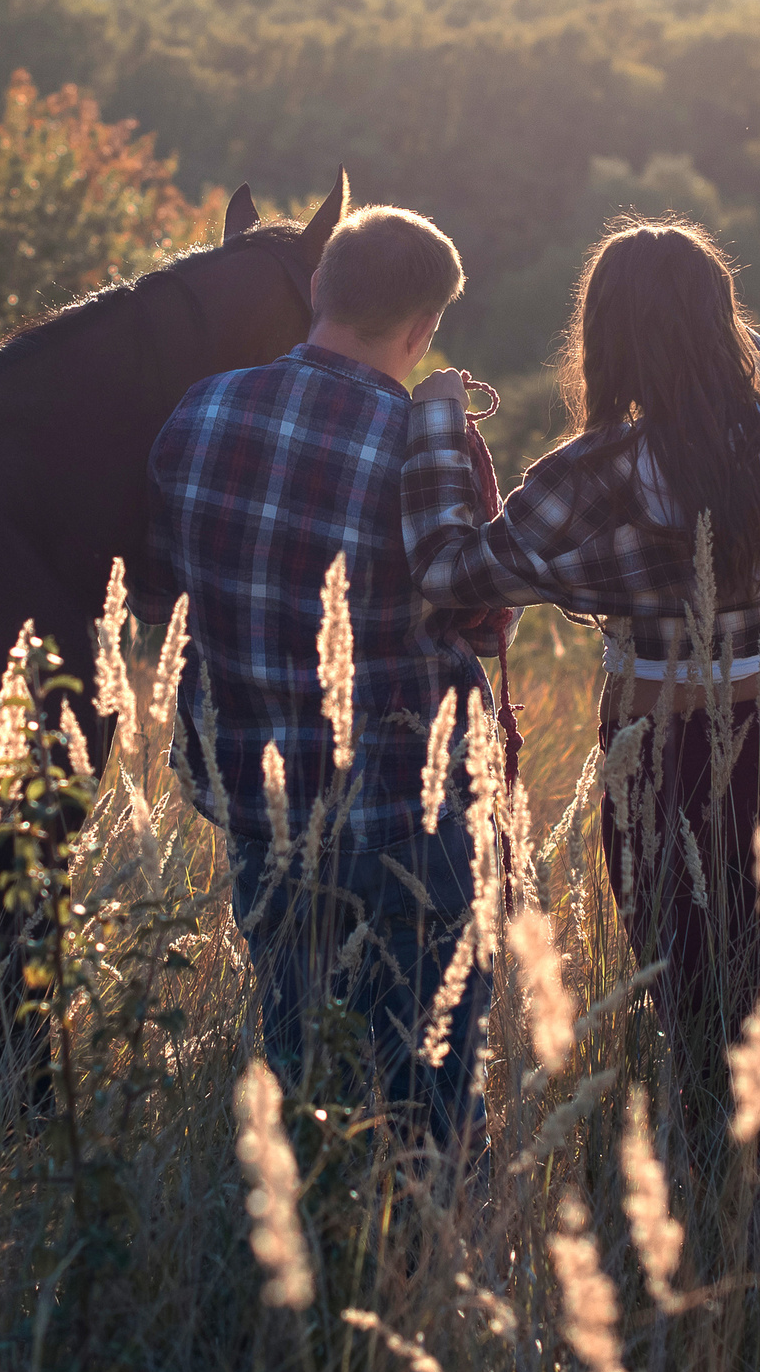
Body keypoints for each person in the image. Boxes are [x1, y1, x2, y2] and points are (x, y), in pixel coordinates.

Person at [402, 218, 760, 1117]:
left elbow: (447, 571)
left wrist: (438, 421)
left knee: (691, 1021)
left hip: (660, 756)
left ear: (605, 341)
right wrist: (731, 338)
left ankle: (708, 1188)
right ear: (721, 323)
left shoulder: (589, 475)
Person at [141, 204, 502, 1158]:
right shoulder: (423, 445)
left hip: (265, 816)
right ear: (424, 327)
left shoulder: (197, 413)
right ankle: (421, 1246)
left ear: (320, 290)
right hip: (405, 821)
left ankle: (308, 1237)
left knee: (305, 1085)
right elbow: (484, 617)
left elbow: (170, 586)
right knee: (431, 1108)